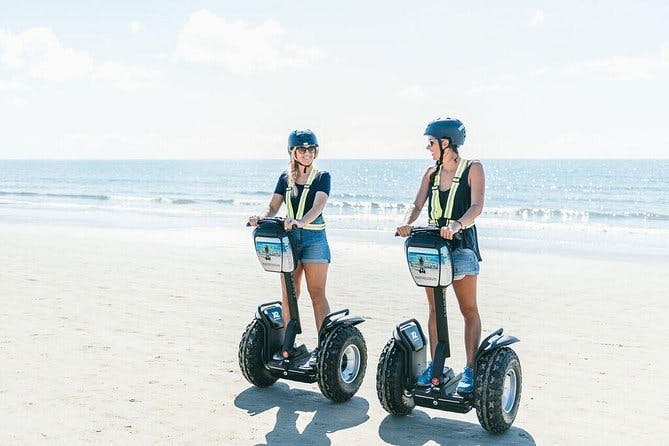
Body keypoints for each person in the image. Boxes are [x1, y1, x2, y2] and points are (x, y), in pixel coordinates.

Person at [396, 117, 485, 393]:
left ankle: (470, 369)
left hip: (461, 246)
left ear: (446, 143)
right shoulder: (431, 173)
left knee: (467, 309)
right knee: (435, 308)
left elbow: (477, 207)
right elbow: (417, 203)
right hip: (433, 247)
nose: (428, 148)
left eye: (431, 143)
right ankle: (438, 365)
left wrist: (457, 224)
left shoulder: (473, 169)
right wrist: (407, 222)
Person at [248, 130, 332, 355]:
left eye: (311, 149)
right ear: (293, 152)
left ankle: (325, 348)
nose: (307, 153)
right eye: (302, 149)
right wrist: (261, 217)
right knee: (290, 292)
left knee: (317, 293)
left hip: (314, 238)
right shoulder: (285, 178)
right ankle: (289, 344)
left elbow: (319, 205)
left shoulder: (323, 176)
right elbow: (273, 205)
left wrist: (300, 221)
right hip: (289, 238)